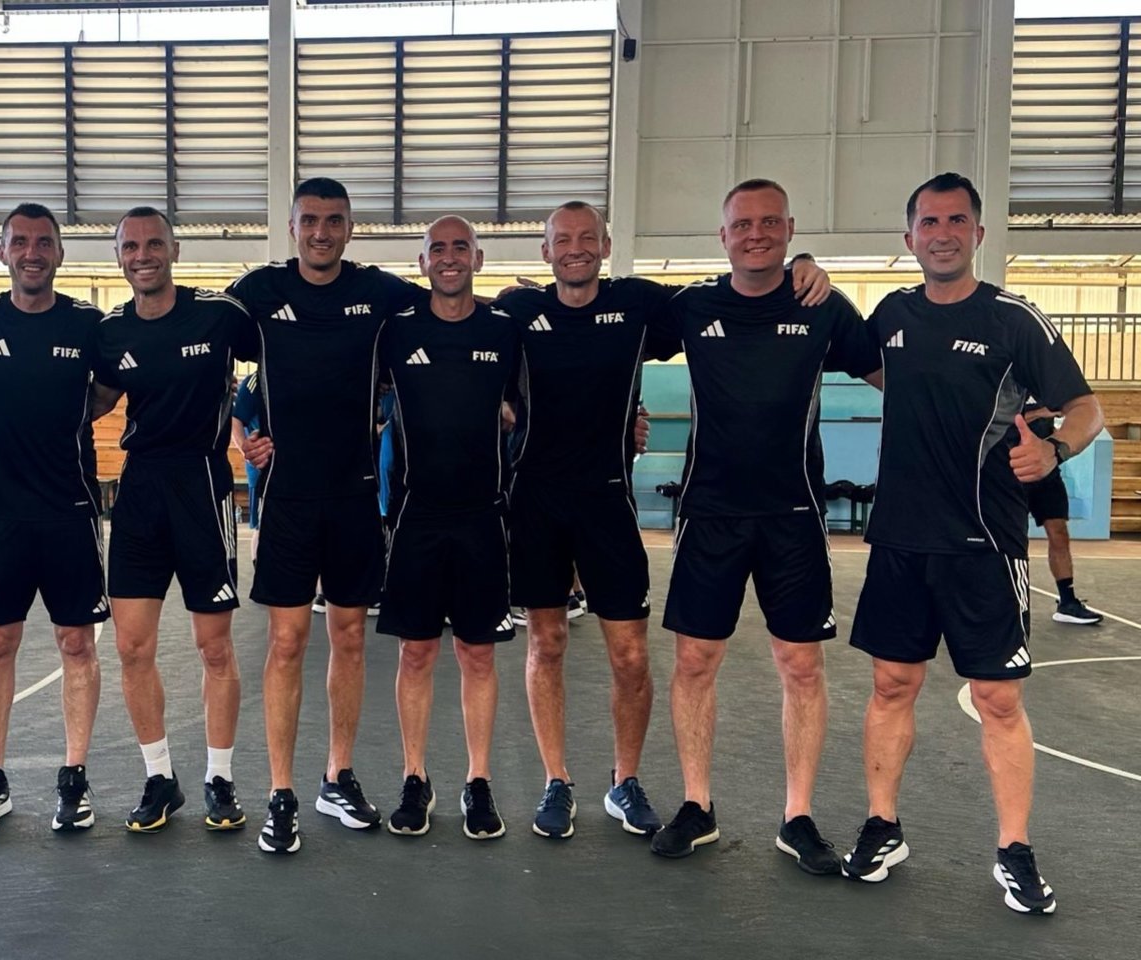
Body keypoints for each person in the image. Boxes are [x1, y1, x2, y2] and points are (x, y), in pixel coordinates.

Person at [493, 201, 831, 840]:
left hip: (609, 502)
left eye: (588, 238)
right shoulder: (517, 312)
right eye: (562, 239)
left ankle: (624, 781)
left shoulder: (642, 303)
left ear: (605, 246)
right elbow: (465, 345)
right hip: (534, 502)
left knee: (629, 655)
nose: (575, 248)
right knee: (546, 643)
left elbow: (734, 290)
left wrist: (801, 267)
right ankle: (556, 780)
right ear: (544, 251)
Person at [845, 172, 1105, 915]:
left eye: (957, 220)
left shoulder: (1013, 319)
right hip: (900, 540)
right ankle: (883, 825)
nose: (943, 234)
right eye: (929, 222)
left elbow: (1085, 407)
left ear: (979, 234)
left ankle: (1014, 849)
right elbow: (875, 368)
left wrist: (1055, 451)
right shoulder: (891, 313)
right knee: (891, 686)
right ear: (910, 238)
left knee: (996, 698)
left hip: (984, 543)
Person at [649, 180, 880, 874]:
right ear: (723, 236)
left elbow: (892, 375)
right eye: (743, 224)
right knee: (695, 662)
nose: (756, 234)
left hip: (794, 516)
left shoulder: (823, 305)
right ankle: (697, 805)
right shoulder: (692, 307)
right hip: (710, 513)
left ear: (789, 228)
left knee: (801, 665)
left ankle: (798, 816)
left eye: (770, 223)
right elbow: (609, 334)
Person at [228, 177, 429, 854]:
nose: (321, 232)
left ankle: (337, 775)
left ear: (349, 227)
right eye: (310, 220)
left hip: (355, 494)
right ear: (292, 227)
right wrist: (239, 436)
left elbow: (453, 313)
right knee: (287, 643)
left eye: (334, 220)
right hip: (287, 498)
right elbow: (199, 347)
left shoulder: (380, 293)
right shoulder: (258, 291)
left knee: (349, 638)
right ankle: (280, 793)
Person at [0, 203, 110, 833]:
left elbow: (113, 385)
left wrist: (66, 410)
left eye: (43, 242)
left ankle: (74, 778)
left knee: (77, 643)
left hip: (70, 510)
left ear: (60, 253)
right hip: (2, 512)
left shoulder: (89, 324)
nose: (31, 253)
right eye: (20, 242)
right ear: (2, 253)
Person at [90, 206, 258, 833]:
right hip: (140, 492)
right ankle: (159, 778)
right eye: (130, 247)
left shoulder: (218, 314)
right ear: (118, 257)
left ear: (175, 250)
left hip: (203, 487)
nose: (143, 255)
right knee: (132, 646)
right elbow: (94, 400)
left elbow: (286, 355)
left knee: (213, 646)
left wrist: (266, 432)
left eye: (153, 243)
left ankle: (220, 778)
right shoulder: (110, 331)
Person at [375, 215, 520, 839]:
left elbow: (559, 392)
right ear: (423, 262)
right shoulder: (397, 330)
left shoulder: (505, 330)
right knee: (416, 652)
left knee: (477, 654)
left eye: (462, 247)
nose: (450, 257)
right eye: (438, 248)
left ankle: (478, 781)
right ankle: (415, 777)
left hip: (484, 515)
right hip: (417, 516)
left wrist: (632, 422)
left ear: (478, 258)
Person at [1022, 402, 1103, 625]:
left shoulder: (1046, 388)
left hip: (1046, 472)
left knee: (1059, 532)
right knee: (1011, 537)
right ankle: (1004, 601)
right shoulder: (1007, 386)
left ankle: (1067, 602)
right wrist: (1041, 412)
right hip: (1011, 469)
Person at [231, 371, 262, 567]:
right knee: (261, 525)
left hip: (290, 469)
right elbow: (236, 420)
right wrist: (247, 452)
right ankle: (260, 572)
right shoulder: (255, 381)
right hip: (261, 470)